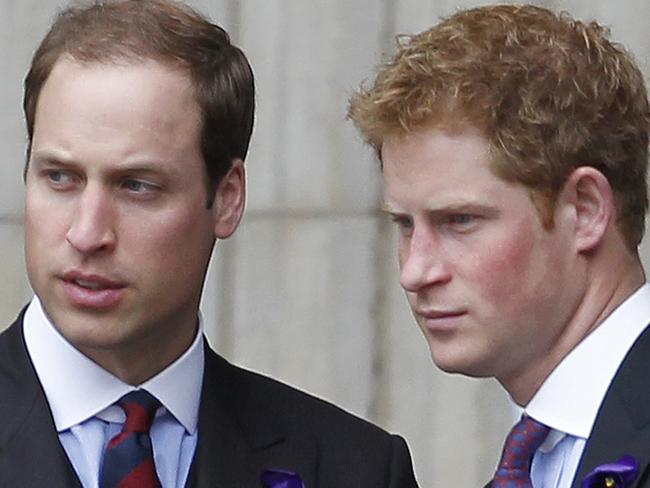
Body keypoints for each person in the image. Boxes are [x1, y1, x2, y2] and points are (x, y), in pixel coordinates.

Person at [0, 1, 419, 487]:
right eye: (60, 177)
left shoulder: (353, 469)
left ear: (227, 197)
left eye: (137, 185)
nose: (88, 234)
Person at [349, 4, 650, 488]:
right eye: (405, 224)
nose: (414, 272)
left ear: (588, 210)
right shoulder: (536, 458)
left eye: (459, 220)